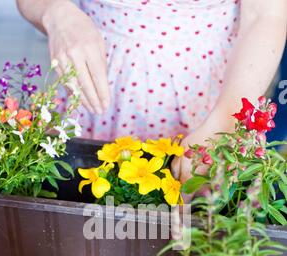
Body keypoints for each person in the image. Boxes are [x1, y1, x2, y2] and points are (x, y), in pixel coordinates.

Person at [17, 0, 287, 182]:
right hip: (93, 94)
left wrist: (226, 119)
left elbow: (266, 14)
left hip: (208, 99)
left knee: (196, 242)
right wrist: (56, 13)